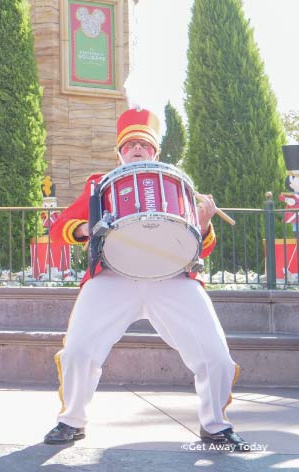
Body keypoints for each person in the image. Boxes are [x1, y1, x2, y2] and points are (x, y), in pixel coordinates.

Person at [43, 107, 246, 450]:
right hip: (112, 275)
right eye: (129, 144)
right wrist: (85, 228)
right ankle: (71, 421)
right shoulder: (99, 183)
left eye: (144, 144)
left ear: (155, 152)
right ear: (119, 153)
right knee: (78, 350)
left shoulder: (177, 181)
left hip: (172, 276)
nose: (137, 148)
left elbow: (199, 245)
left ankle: (216, 425)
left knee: (216, 355)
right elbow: (59, 230)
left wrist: (205, 222)